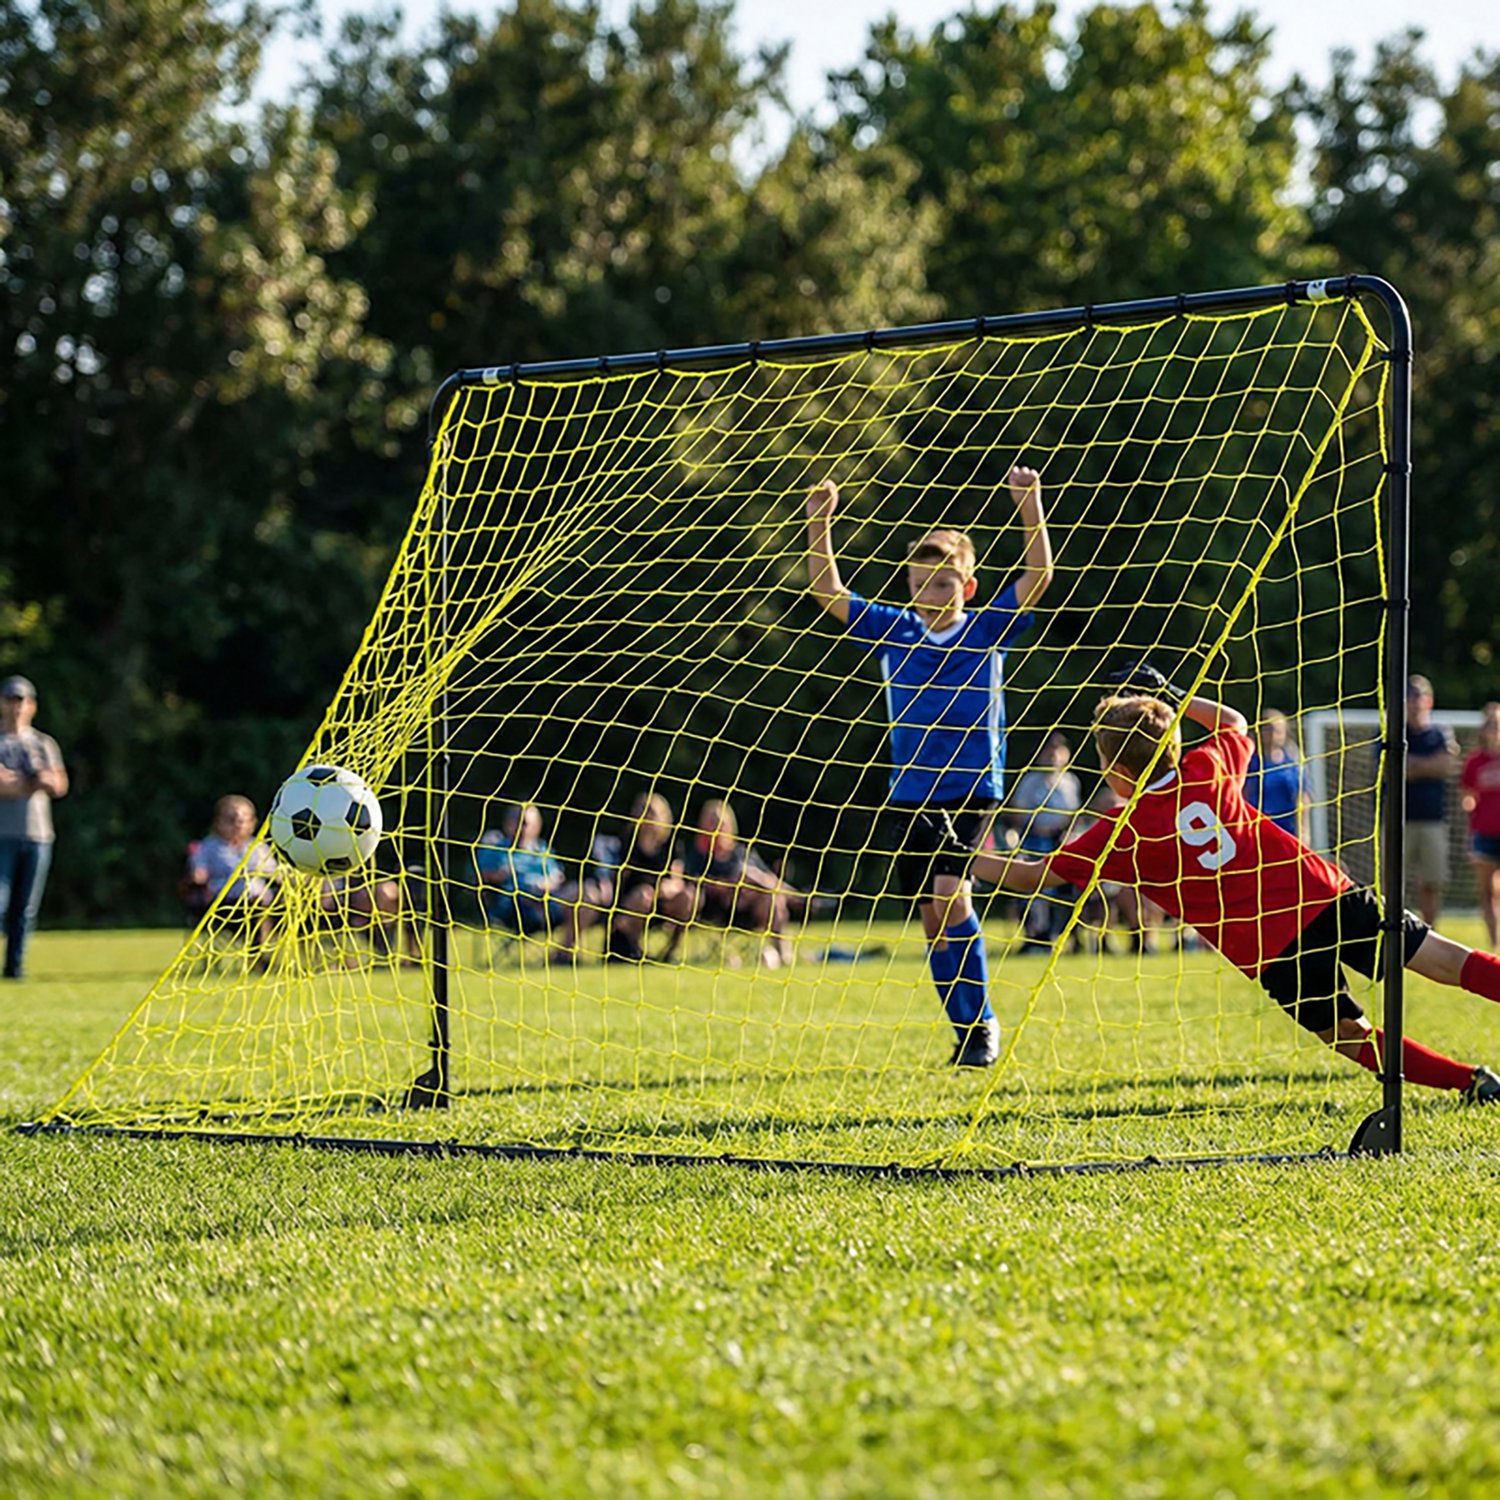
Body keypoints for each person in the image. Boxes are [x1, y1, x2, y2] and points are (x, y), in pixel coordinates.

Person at [971, 668, 1500, 1105]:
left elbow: (1028, 875)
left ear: (1111, 769)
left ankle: (1468, 1082)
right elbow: (1232, 721)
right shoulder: (1206, 766)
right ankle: (1470, 1079)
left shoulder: (1121, 831)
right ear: (1174, 746)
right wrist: (1173, 697)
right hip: (1320, 895)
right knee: (1445, 961)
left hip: (1268, 948)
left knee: (1347, 1035)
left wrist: (963, 853)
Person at [806, 466, 1053, 1066]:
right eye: (920, 581)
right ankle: (967, 1029)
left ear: (966, 588)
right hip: (911, 792)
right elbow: (828, 591)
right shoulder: (895, 630)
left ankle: (985, 1022)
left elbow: (1038, 574)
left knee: (952, 894)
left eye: (942, 583)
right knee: (932, 918)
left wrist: (1029, 504)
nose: (929, 592)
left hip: (972, 787)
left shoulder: (987, 629)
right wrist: (819, 522)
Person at [0, 675, 69, 980]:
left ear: (32, 706)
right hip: (2, 834)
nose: (17, 707)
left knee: (26, 909)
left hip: (38, 834)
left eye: (23, 701)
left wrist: (24, 781)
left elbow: (59, 783)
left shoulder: (44, 743)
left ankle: (15, 968)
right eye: (11, 700)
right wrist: (33, 781)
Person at [683, 799, 795, 968]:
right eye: (711, 821)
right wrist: (724, 886)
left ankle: (782, 952)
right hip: (713, 908)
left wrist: (747, 886)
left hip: (746, 909)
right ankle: (798, 899)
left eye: (720, 822)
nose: (716, 827)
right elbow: (690, 882)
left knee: (767, 892)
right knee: (750, 876)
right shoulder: (698, 855)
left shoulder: (741, 853)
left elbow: (767, 877)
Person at [1004, 731, 1084, 951]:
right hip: (1034, 839)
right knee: (1034, 887)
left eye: (1058, 751)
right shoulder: (1029, 781)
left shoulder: (1070, 781)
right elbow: (1017, 813)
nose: (1053, 756)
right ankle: (1036, 934)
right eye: (1048, 751)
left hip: (1061, 840)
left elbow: (1074, 814)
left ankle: (1071, 936)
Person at [184, 794, 279, 948]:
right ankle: (259, 955)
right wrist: (198, 876)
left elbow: (274, 872)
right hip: (224, 906)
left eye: (243, 820)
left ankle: (262, 951)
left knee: (266, 906)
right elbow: (198, 872)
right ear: (218, 822)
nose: (237, 824)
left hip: (259, 903)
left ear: (252, 823)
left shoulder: (258, 847)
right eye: (231, 820)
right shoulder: (207, 848)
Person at [609, 792, 694, 962]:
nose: (647, 817)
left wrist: (668, 887)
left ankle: (671, 951)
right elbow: (617, 879)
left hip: (661, 902)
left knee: (689, 896)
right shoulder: (627, 843)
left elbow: (677, 880)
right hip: (633, 902)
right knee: (643, 894)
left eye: (651, 812)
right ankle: (633, 949)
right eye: (643, 811)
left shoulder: (671, 845)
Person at [1405, 674, 1457, 926]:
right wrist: (1429, 765)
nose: (1414, 703)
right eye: (1409, 697)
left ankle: (1430, 930)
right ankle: (1397, 929)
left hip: (1433, 818)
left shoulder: (1439, 732)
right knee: (1393, 881)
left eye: (1419, 696)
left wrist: (1414, 765)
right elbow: (1389, 770)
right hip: (1398, 821)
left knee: (1432, 881)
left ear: (1429, 700)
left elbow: (1447, 766)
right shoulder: (1394, 732)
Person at [475, 804, 569, 938]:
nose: (520, 827)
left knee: (580, 895)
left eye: (525, 823)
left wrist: (546, 884)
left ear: (537, 826)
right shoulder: (496, 849)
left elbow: (557, 877)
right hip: (513, 907)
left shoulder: (542, 851)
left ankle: (565, 952)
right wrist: (500, 875)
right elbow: (482, 877)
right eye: (516, 821)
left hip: (547, 900)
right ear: (507, 823)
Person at [1460, 702, 1500, 949]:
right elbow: (1466, 795)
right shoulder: (1474, 761)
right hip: (1483, 833)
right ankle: (1494, 944)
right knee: (1486, 892)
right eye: (1490, 725)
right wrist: (1468, 806)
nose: (1494, 729)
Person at [1245, 709, 1308, 838]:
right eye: (1268, 729)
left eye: (1278, 730)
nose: (1273, 734)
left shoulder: (1293, 764)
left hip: (1287, 830)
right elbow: (1243, 795)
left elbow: (1302, 799)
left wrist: (1304, 831)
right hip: (1258, 829)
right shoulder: (1250, 763)